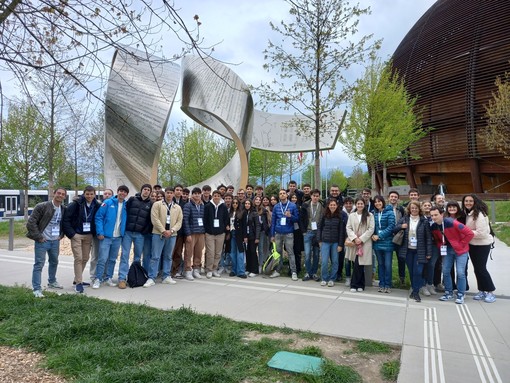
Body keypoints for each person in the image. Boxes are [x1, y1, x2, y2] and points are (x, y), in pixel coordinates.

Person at [26, 187, 67, 298]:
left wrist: (61, 235)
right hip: (42, 241)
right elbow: (31, 223)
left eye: (63, 194)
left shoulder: (63, 209)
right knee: (39, 264)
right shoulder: (42, 206)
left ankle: (52, 281)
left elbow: (64, 224)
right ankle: (37, 289)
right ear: (54, 194)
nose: (60, 195)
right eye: (59, 193)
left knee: (54, 262)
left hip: (55, 241)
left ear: (65, 196)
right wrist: (39, 237)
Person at [430, 206, 473, 304]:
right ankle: (448, 292)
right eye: (432, 215)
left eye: (436, 215)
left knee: (460, 272)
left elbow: (469, 233)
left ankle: (461, 294)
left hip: (461, 251)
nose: (434, 217)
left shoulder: (452, 222)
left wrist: (461, 244)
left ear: (442, 214)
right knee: (445, 271)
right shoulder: (434, 226)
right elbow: (437, 239)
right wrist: (441, 245)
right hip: (448, 250)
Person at [62, 185, 100, 293]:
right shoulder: (76, 204)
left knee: (85, 258)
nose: (89, 196)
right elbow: (66, 219)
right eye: (87, 194)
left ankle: (76, 279)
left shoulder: (96, 205)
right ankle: (79, 283)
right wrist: (72, 234)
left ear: (94, 194)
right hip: (77, 235)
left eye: (91, 194)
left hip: (88, 235)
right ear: (84, 194)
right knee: (78, 258)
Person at [144, 187, 183, 287]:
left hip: (172, 235)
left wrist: (172, 230)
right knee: (155, 256)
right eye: (167, 193)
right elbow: (154, 219)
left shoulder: (177, 207)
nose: (169, 195)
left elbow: (179, 222)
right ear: (164, 194)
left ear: (173, 194)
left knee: (168, 256)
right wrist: (163, 230)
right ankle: (151, 277)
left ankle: (166, 276)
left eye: (171, 193)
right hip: (158, 234)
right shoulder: (157, 205)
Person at [394, 201, 432, 302]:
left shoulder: (424, 221)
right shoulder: (404, 219)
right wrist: (401, 226)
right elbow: (394, 229)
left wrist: (428, 253)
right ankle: (414, 289)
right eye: (412, 208)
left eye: (416, 208)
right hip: (408, 250)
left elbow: (428, 238)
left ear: (419, 209)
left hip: (420, 251)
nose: (414, 210)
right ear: (409, 209)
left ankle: (415, 292)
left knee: (418, 271)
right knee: (411, 271)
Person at [462, 194, 497, 303]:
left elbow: (481, 233)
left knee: (481, 268)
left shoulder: (480, 214)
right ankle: (482, 290)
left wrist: (465, 232)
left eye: (470, 201)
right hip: (473, 244)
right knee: (477, 269)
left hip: (482, 245)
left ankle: (490, 291)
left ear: (475, 202)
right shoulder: (469, 213)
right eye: (466, 201)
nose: (468, 203)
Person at [93, 185, 129, 289]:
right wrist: (100, 232)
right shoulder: (108, 203)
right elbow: (98, 217)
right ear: (118, 192)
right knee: (102, 258)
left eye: (125, 192)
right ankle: (98, 279)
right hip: (106, 237)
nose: (122, 193)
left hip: (118, 237)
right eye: (121, 191)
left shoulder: (126, 205)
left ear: (126, 194)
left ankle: (108, 277)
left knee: (112, 259)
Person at [118, 184, 153, 289]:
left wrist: (144, 231)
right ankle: (122, 278)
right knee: (125, 255)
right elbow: (125, 213)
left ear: (150, 192)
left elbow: (150, 220)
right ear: (141, 190)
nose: (146, 191)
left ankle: (134, 276)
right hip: (128, 233)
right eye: (144, 189)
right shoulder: (132, 200)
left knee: (137, 257)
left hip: (140, 235)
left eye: (148, 190)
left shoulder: (151, 204)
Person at [345, 197, 374, 292]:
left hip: (364, 243)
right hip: (354, 243)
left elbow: (371, 229)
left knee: (360, 264)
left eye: (361, 203)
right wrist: (354, 238)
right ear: (355, 205)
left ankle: (354, 284)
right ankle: (360, 284)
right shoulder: (352, 215)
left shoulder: (370, 215)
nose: (360, 205)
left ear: (364, 204)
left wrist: (361, 239)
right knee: (356, 263)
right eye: (358, 204)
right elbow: (348, 228)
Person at [270, 189, 299, 280]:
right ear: (279, 196)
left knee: (290, 252)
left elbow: (297, 219)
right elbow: (273, 221)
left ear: (287, 195)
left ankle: (293, 271)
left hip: (289, 233)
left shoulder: (293, 206)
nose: (282, 195)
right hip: (278, 233)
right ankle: (278, 270)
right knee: (278, 253)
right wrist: (272, 235)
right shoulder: (276, 207)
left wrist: (290, 216)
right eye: (280, 194)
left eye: (283, 193)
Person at [317, 199, 345, 287]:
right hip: (325, 242)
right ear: (328, 206)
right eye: (331, 205)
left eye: (334, 205)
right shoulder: (324, 215)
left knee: (335, 261)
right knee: (324, 261)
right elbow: (319, 228)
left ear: (337, 206)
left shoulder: (340, 216)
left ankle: (332, 278)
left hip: (335, 242)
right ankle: (324, 278)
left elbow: (341, 231)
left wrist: (340, 244)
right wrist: (319, 240)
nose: (332, 206)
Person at [372, 195, 396, 293]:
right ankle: (381, 284)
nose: (377, 203)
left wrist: (380, 235)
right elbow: (372, 226)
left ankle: (388, 284)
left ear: (383, 202)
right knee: (380, 264)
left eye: (379, 201)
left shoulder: (390, 212)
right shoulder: (374, 213)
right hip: (377, 243)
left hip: (387, 242)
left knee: (388, 264)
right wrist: (373, 235)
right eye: (376, 202)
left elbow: (391, 227)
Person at [204, 190, 230, 278]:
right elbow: (205, 219)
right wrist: (206, 230)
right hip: (210, 234)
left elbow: (226, 219)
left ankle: (215, 269)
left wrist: (224, 229)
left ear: (220, 197)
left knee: (218, 253)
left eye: (218, 196)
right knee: (210, 252)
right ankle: (209, 269)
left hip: (220, 234)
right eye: (215, 195)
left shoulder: (223, 207)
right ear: (212, 196)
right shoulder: (207, 206)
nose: (216, 197)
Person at [182, 187, 206, 280]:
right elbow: (185, 220)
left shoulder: (202, 206)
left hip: (201, 232)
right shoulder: (188, 205)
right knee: (189, 252)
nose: (197, 195)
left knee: (198, 252)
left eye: (198, 193)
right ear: (192, 195)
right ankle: (187, 270)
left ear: (201, 195)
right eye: (195, 193)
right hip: (191, 233)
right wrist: (187, 234)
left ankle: (196, 269)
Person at [89, 188, 113, 280]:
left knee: (106, 256)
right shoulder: (98, 205)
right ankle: (93, 275)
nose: (107, 195)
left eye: (109, 194)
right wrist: (98, 232)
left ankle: (104, 274)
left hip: (108, 235)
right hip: (97, 234)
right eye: (105, 193)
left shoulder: (112, 205)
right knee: (95, 255)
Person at [300, 189, 323, 281]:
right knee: (307, 253)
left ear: (319, 196)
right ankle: (308, 272)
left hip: (318, 233)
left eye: (317, 196)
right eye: (314, 195)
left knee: (317, 254)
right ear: (311, 196)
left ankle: (314, 273)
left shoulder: (322, 206)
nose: (315, 197)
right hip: (308, 232)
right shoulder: (305, 205)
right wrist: (303, 231)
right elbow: (301, 219)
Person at [388, 190, 406, 286]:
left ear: (398, 199)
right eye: (392, 196)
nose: (393, 198)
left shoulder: (401, 209)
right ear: (389, 198)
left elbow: (404, 222)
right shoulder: (385, 209)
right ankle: (388, 279)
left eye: (395, 197)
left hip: (399, 237)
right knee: (388, 259)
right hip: (388, 237)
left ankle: (401, 278)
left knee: (401, 258)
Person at [172, 184, 187, 278]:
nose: (178, 191)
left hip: (180, 232)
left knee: (178, 252)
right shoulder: (169, 201)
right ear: (174, 191)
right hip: (170, 231)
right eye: (177, 190)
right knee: (169, 252)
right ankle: (166, 270)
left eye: (180, 190)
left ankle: (176, 271)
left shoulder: (184, 204)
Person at [229, 198, 247, 278]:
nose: (235, 204)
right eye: (233, 203)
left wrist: (245, 236)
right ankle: (234, 270)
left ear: (238, 204)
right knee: (232, 253)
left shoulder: (242, 212)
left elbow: (244, 226)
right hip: (231, 234)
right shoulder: (230, 212)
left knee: (240, 253)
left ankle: (241, 271)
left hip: (239, 234)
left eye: (236, 203)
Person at [254, 195, 271, 273]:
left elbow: (268, 220)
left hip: (262, 232)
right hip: (253, 232)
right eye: (256, 199)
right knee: (252, 249)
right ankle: (252, 264)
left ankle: (260, 265)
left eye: (259, 200)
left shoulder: (264, 210)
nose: (257, 201)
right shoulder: (251, 209)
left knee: (260, 249)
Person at [243, 199, 258, 277]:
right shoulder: (244, 213)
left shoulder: (254, 213)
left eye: (248, 203)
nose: (247, 205)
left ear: (251, 205)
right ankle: (248, 269)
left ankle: (254, 270)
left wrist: (257, 237)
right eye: (246, 203)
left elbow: (258, 226)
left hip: (253, 236)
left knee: (253, 252)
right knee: (247, 252)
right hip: (246, 236)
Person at [289, 193, 303, 275]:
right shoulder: (288, 207)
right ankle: (291, 267)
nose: (294, 199)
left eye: (295, 197)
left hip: (297, 231)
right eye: (292, 197)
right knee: (290, 250)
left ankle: (298, 268)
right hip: (289, 230)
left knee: (297, 250)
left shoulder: (299, 207)